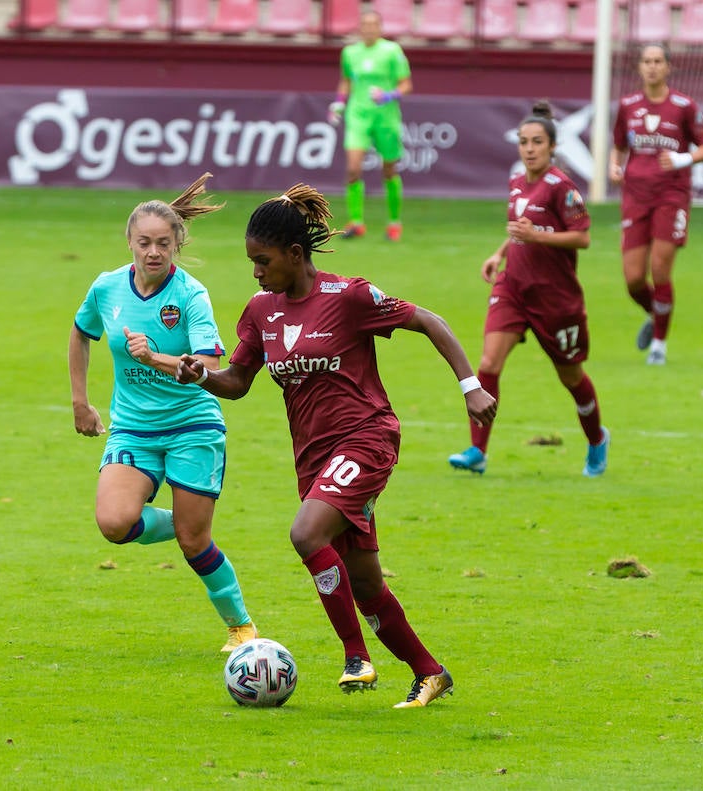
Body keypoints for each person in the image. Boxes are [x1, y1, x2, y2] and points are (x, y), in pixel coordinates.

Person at [176, 182, 496, 708]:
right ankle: (430, 672)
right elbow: (236, 381)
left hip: (367, 438)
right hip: (314, 459)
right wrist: (200, 377)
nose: (256, 271)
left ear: (295, 255)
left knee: (305, 533)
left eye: (263, 260)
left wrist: (471, 387)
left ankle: (356, 657)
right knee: (366, 582)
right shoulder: (261, 311)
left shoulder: (348, 297)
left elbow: (429, 321)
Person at [69, 173, 258, 653]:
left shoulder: (190, 295)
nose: (153, 252)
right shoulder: (108, 288)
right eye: (144, 243)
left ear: (177, 245)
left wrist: (155, 358)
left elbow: (209, 368)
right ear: (130, 243)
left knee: (196, 543)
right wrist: (80, 401)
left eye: (163, 244)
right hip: (133, 427)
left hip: (192, 425)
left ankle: (241, 626)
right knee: (114, 523)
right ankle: (183, 521)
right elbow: (80, 332)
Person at [450, 101, 610, 478]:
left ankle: (597, 439)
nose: (529, 148)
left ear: (552, 146)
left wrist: (536, 235)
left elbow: (583, 238)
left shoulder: (562, 188)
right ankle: (478, 450)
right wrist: (500, 252)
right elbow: (519, 228)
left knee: (571, 377)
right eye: (524, 142)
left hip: (555, 299)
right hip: (513, 288)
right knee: (488, 364)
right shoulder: (517, 182)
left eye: (537, 142)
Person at [609, 43, 703, 366]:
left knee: (659, 268)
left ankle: (659, 346)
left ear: (668, 67)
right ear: (639, 67)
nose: (652, 67)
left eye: (658, 61)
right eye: (646, 61)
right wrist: (615, 166)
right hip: (635, 196)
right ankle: (656, 314)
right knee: (633, 279)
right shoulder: (628, 105)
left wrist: (684, 158)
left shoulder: (683, 105)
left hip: (672, 196)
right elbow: (618, 146)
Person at [326, 11, 412, 242]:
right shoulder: (350, 53)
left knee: (389, 170)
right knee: (353, 168)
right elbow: (346, 81)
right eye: (365, 24)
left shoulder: (392, 51)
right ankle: (356, 222)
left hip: (386, 117)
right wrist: (339, 103)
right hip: (358, 115)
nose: (369, 28)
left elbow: (406, 85)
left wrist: (389, 95)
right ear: (360, 28)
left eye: (373, 24)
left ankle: (394, 222)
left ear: (380, 27)